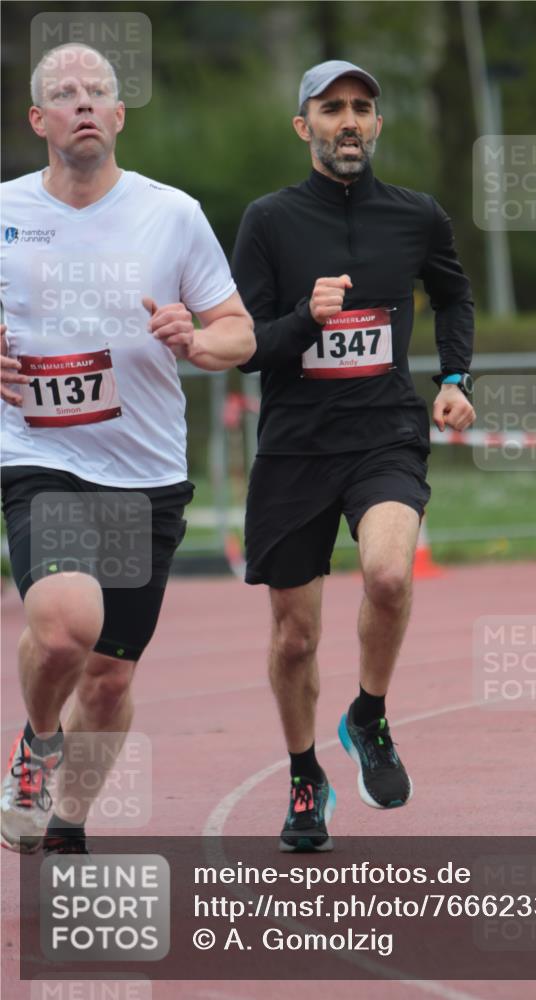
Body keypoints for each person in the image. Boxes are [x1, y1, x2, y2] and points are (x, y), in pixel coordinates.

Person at [0, 43, 255, 854]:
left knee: (109, 681)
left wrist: (196, 337)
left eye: (97, 91)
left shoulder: (171, 214)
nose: (82, 102)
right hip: (39, 453)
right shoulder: (4, 210)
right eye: (63, 93)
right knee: (67, 625)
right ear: (39, 119)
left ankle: (67, 828)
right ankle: (38, 744)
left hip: (145, 474)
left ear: (118, 115)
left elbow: (239, 332)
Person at [232, 60, 475, 852]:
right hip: (296, 448)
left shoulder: (417, 216)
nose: (348, 121)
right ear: (303, 125)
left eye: (361, 108)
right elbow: (247, 348)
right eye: (331, 107)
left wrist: (455, 374)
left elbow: (453, 291)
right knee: (294, 638)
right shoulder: (267, 222)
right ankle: (306, 774)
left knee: (389, 574)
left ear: (376, 125)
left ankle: (367, 714)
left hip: (383, 433)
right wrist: (305, 317)